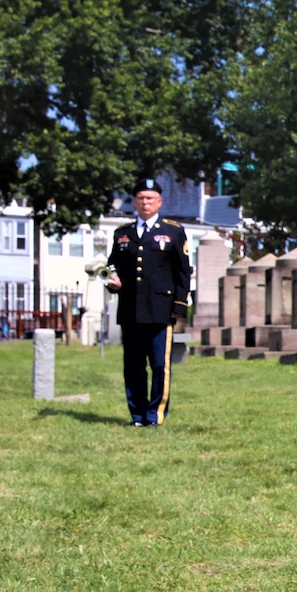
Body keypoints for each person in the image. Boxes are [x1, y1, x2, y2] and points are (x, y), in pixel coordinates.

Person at [106, 178, 192, 427]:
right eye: (141, 198)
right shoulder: (122, 234)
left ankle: (155, 415)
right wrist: (112, 279)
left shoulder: (173, 231)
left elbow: (182, 272)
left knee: (158, 365)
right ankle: (137, 415)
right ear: (135, 202)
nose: (145, 202)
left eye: (150, 198)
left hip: (159, 310)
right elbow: (113, 264)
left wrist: (179, 306)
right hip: (131, 309)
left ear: (159, 202)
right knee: (133, 366)